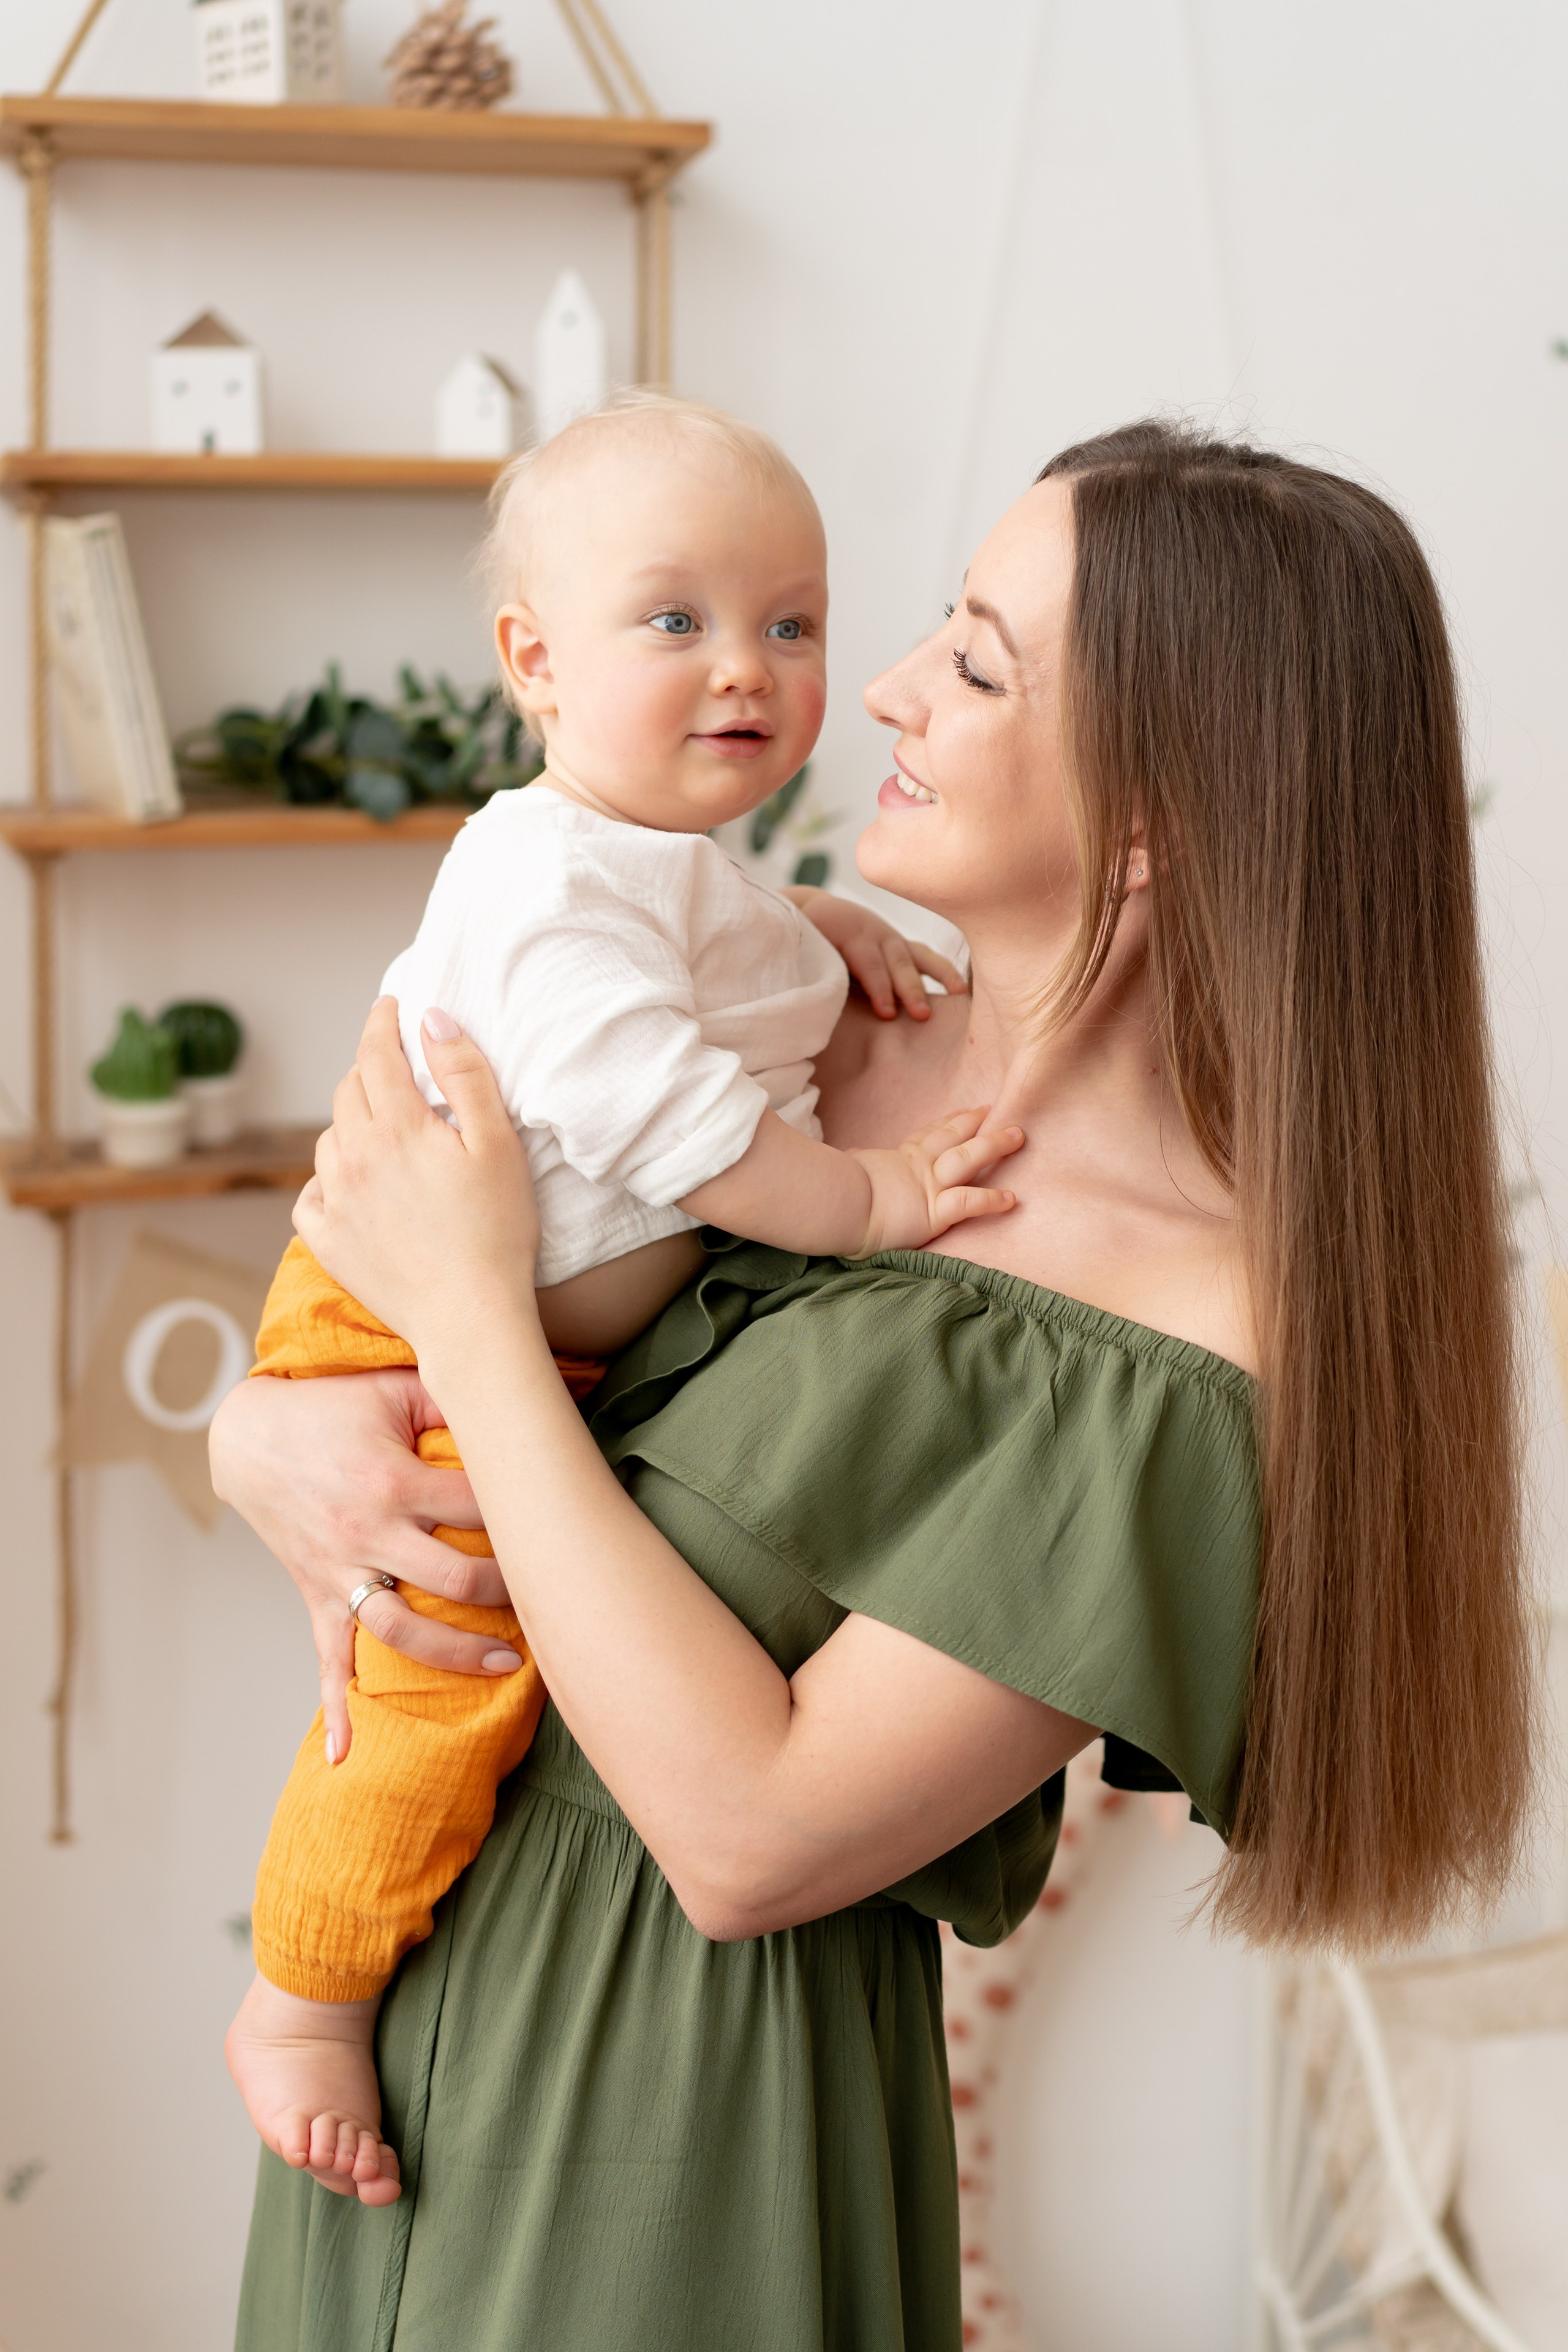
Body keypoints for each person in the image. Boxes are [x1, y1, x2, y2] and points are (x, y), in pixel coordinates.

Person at [214, 421, 1531, 2352]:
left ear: (1159, 819)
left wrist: (477, 1332)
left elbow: (751, 1839)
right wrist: (264, 1437)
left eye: (980, 661)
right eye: (932, 628)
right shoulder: (785, 1038)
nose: (886, 689)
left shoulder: (1188, 1357)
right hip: (396, 2030)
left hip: (671, 2150)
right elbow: (391, 1236)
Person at [228, 393, 1011, 2193]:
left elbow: (717, 966)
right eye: (676, 621)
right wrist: (870, 1196)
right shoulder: (538, 871)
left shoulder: (674, 873)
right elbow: (656, 1100)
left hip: (503, 1333)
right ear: (536, 663)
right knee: (435, 1685)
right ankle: (300, 1992)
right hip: (395, 1326)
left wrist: (830, 925)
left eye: (790, 622)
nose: (751, 666)